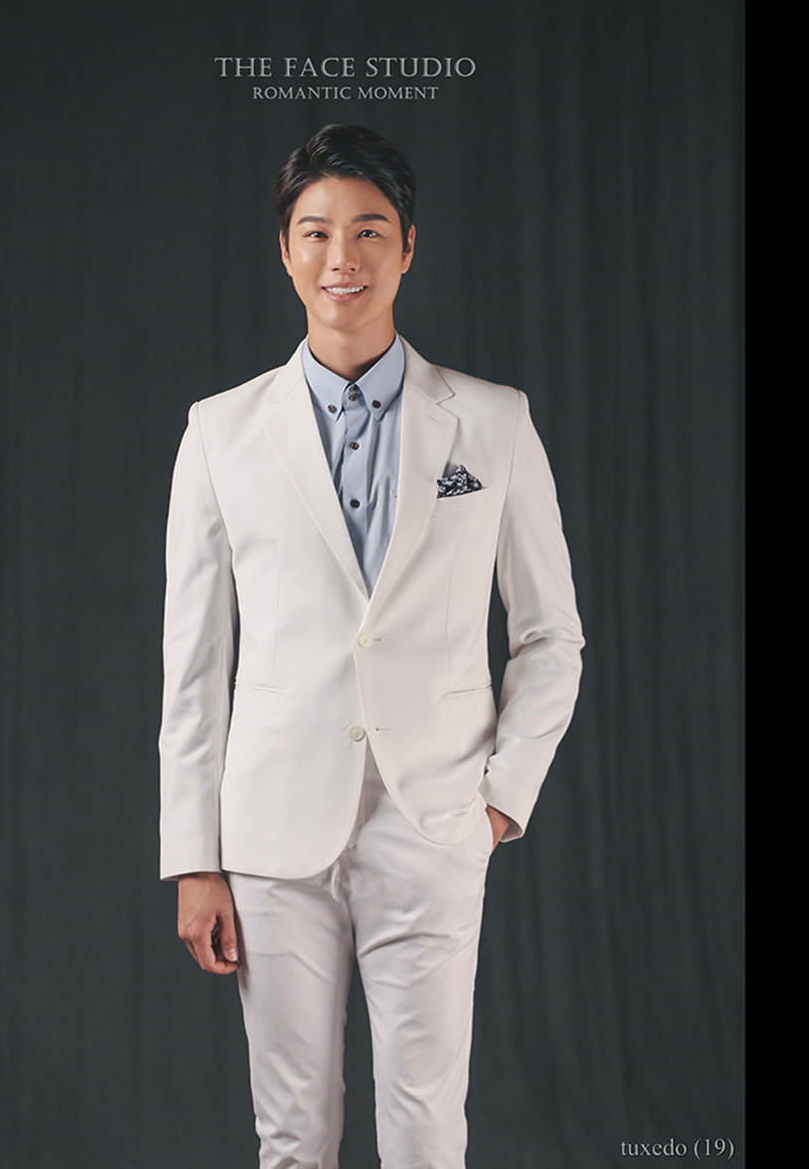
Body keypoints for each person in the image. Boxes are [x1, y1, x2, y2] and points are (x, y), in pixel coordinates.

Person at [159, 122, 584, 1169]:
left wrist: (499, 800)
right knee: (293, 1135)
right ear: (285, 250)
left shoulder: (493, 423)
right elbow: (194, 667)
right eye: (316, 232)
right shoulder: (220, 433)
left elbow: (550, 636)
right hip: (270, 833)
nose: (341, 257)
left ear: (407, 247)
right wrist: (194, 858)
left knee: (427, 1134)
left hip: (434, 819)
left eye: (368, 230)